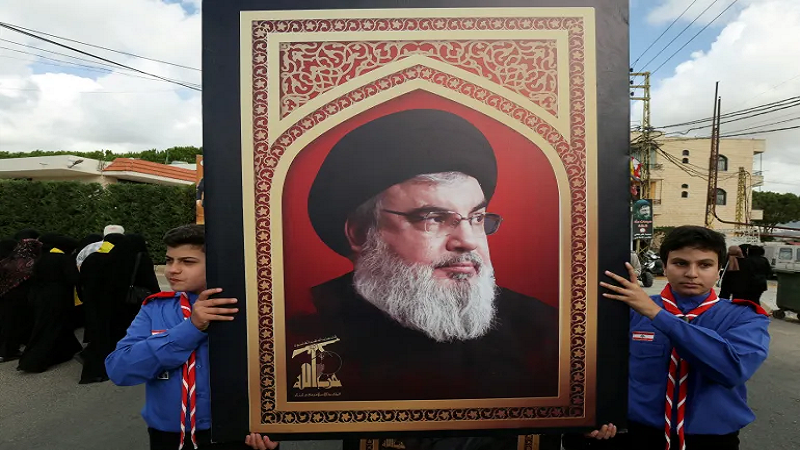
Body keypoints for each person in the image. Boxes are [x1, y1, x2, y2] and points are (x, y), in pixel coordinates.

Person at [290, 109, 559, 402]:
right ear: (360, 233)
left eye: (477, 218)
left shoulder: (543, 330)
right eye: (433, 218)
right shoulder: (298, 330)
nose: (468, 241)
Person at [568, 225, 770, 450]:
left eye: (705, 265)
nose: (692, 273)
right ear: (664, 266)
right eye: (680, 263)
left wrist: (657, 315)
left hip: (710, 439)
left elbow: (732, 369)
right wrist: (591, 417)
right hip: (637, 433)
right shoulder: (629, 311)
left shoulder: (745, 317)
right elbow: (598, 369)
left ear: (718, 270)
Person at [105, 225, 276, 450]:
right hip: (172, 435)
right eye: (169, 260)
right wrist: (190, 328)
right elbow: (119, 370)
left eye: (187, 262)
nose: (172, 270)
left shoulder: (257, 307)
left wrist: (277, 424)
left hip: (242, 432)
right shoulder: (156, 308)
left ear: (218, 262)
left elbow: (282, 370)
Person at [17, 233, 83, 373]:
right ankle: (35, 361)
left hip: (39, 296)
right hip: (58, 297)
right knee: (52, 327)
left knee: (46, 326)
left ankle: (68, 350)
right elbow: (73, 278)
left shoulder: (41, 258)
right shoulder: (63, 259)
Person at [78, 229, 126, 383]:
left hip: (91, 303)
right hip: (108, 304)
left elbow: (80, 281)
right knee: (104, 337)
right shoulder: (115, 260)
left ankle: (92, 367)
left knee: (97, 336)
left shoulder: (91, 257)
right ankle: (96, 371)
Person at [0, 236, 41, 363]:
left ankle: (7, 350)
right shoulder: (20, 262)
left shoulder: (4, 261)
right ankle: (9, 351)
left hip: (4, 295)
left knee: (6, 324)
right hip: (17, 297)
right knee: (13, 325)